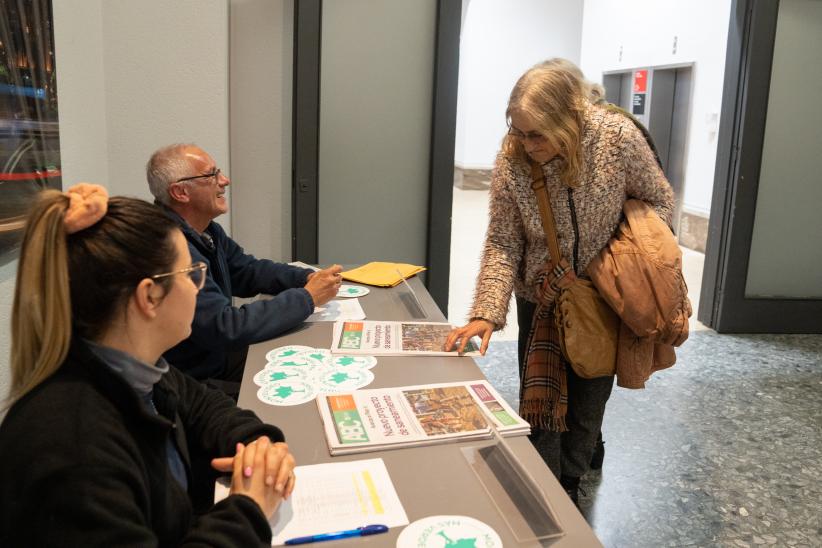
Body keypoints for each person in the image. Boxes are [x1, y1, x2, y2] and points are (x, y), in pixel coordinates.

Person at [0, 184, 297, 545]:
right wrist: (249, 506)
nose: (197, 287)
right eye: (190, 274)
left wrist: (257, 444)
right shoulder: (74, 451)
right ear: (149, 296)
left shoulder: (132, 367)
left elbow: (204, 405)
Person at [446, 59, 674, 505]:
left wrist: (605, 265)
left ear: (571, 119)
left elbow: (658, 203)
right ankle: (549, 488)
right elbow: (503, 240)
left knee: (589, 400)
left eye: (537, 134)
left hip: (602, 297)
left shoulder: (617, 139)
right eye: (518, 131)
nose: (526, 144)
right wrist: (485, 313)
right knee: (542, 402)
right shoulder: (513, 158)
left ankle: (573, 481)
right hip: (542, 298)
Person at [146, 144, 342, 393]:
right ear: (181, 192)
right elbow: (224, 326)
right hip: (195, 380)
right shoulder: (169, 247)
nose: (224, 181)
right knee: (305, 381)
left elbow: (247, 270)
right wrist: (307, 297)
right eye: (212, 175)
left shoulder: (206, 230)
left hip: (217, 357)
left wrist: (307, 277)